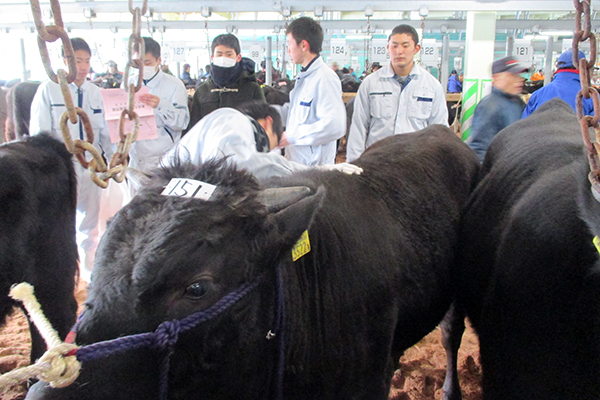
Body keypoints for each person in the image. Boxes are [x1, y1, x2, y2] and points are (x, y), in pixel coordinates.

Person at [29, 37, 113, 281]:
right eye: (77, 60)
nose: (83, 66)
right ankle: (62, 270)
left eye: (87, 61)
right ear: (64, 61)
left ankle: (89, 267)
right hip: (60, 165)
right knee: (60, 221)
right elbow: (39, 132)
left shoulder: (94, 91)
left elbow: (105, 129)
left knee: (90, 219)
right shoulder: (48, 89)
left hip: (91, 164)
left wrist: (111, 156)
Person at [162, 100, 361, 180]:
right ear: (268, 123)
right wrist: (318, 171)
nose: (266, 152)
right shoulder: (234, 119)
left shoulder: (231, 126)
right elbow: (238, 163)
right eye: (271, 145)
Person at [346, 24, 448, 162]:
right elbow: (359, 126)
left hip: (415, 163)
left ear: (416, 49)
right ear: (388, 48)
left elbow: (439, 131)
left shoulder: (432, 86)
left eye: (405, 46)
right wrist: (353, 165)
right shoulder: (371, 84)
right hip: (377, 162)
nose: (399, 51)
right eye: (394, 46)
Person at [280, 17, 346, 166]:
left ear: (303, 45)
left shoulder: (325, 78)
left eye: (290, 43)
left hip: (315, 171)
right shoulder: (303, 77)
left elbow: (334, 125)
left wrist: (292, 136)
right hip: (299, 166)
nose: (288, 49)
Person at [125, 36, 189, 173]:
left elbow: (182, 122)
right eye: (138, 64)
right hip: (136, 158)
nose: (142, 68)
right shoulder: (128, 83)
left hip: (164, 159)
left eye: (147, 63)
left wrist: (162, 105)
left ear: (158, 61)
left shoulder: (175, 85)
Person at [189, 34, 265, 128]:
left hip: (243, 141)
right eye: (219, 54)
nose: (223, 58)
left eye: (229, 54)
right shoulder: (202, 91)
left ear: (238, 57)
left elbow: (262, 123)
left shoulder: (252, 89)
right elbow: (194, 126)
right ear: (212, 57)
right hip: (210, 142)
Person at [468, 56, 528, 162]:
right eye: (513, 75)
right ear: (497, 78)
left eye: (519, 75)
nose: (519, 80)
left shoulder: (518, 102)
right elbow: (480, 147)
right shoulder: (488, 106)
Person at [522, 50, 593, 118]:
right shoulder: (592, 97)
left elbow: (523, 126)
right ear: (584, 68)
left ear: (557, 67)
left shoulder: (537, 95)